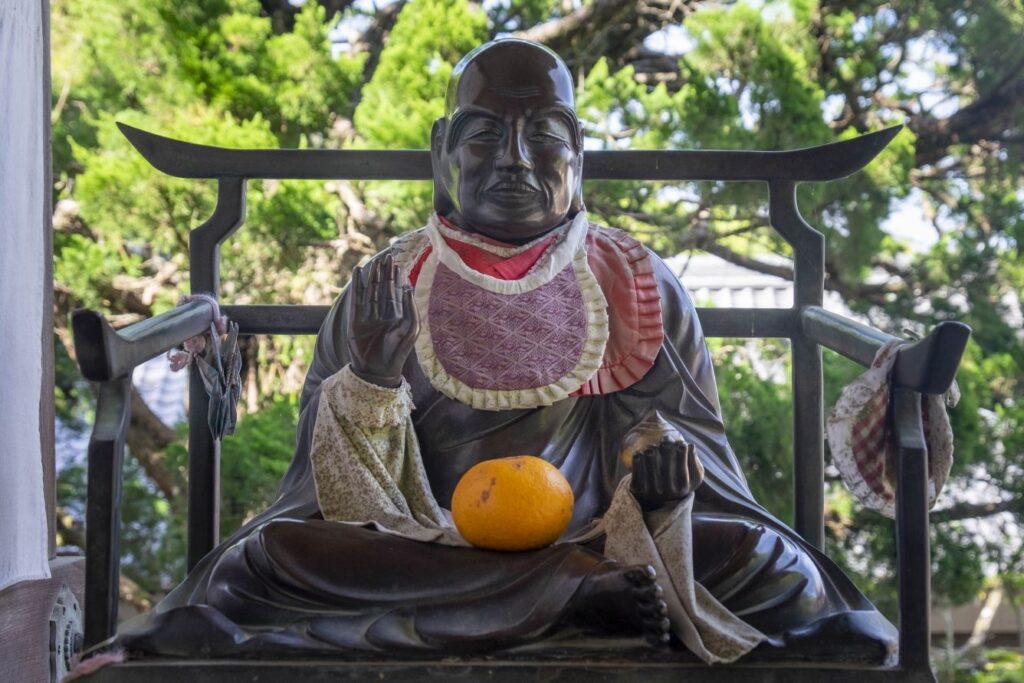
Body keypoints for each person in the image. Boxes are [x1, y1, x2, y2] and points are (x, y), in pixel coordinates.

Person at [117, 38, 896, 664]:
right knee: (265, 558)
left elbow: (697, 458)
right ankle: (566, 593)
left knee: (765, 560)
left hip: (601, 535)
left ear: (578, 152)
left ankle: (565, 583)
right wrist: (371, 377)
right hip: (426, 542)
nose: (516, 159)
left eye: (544, 136)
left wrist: (661, 474)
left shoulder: (633, 280)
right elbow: (326, 496)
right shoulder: (387, 283)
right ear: (441, 150)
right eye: (486, 133)